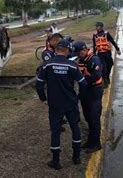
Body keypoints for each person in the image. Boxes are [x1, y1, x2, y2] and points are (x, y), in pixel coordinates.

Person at [36, 39, 87, 170]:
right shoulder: (72, 65)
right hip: (70, 103)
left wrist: (43, 98)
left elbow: (39, 84)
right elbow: (82, 83)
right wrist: (79, 97)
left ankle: (56, 161)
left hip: (55, 104)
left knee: (55, 131)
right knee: (75, 128)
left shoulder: (47, 64)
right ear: (66, 50)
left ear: (57, 49)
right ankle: (76, 157)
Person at [73, 41, 104, 153]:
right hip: (85, 91)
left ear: (84, 49)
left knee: (94, 117)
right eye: (76, 53)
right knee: (87, 117)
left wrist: (82, 81)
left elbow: (97, 75)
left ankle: (96, 144)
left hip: (94, 91)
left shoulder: (94, 59)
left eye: (78, 52)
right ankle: (90, 141)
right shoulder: (81, 60)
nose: (77, 55)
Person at [92, 22, 120, 88]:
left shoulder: (106, 34)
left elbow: (113, 41)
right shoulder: (94, 35)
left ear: (101, 27)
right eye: (96, 26)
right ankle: (105, 82)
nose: (96, 27)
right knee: (103, 67)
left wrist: (117, 49)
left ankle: (107, 77)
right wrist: (93, 55)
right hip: (100, 54)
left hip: (107, 53)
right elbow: (94, 46)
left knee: (109, 65)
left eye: (97, 26)